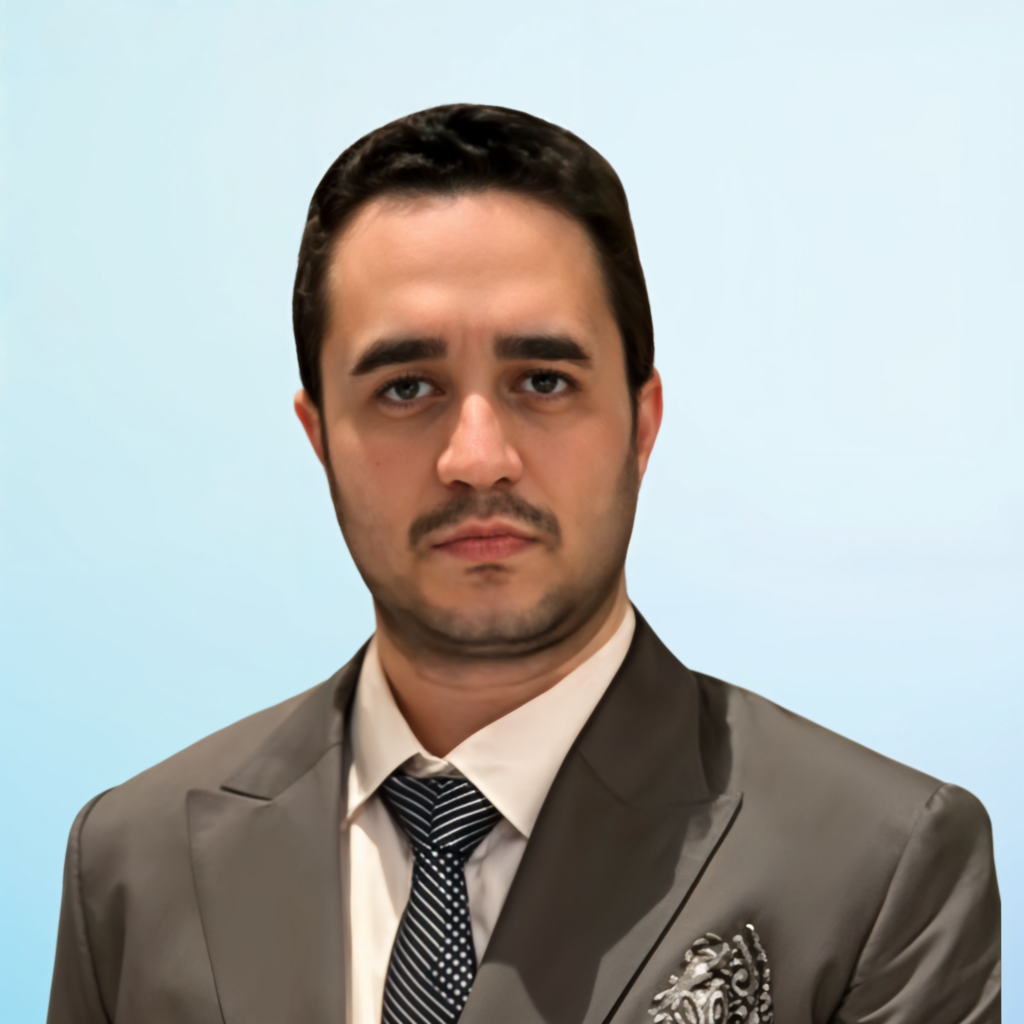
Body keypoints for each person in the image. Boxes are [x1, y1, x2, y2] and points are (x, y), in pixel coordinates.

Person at [47, 104, 999, 1024]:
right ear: (320, 436)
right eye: (406, 388)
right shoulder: (132, 865)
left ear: (641, 424)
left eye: (543, 381)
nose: (477, 457)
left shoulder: (877, 868)